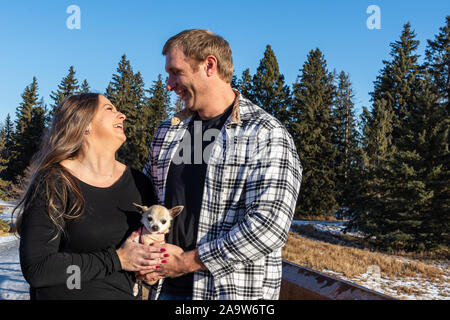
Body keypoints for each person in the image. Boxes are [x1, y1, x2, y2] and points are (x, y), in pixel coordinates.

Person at [139, 29, 302, 300]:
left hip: (231, 294)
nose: (168, 84)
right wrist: (143, 253)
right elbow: (147, 199)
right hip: (165, 290)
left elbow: (268, 227)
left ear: (209, 65)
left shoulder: (265, 133)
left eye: (176, 72)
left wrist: (187, 262)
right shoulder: (168, 131)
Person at [17, 93, 165, 300]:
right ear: (85, 124)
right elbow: (38, 269)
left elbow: (145, 257)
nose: (121, 115)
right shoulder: (54, 181)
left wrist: (150, 270)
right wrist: (117, 260)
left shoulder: (139, 183)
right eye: (109, 109)